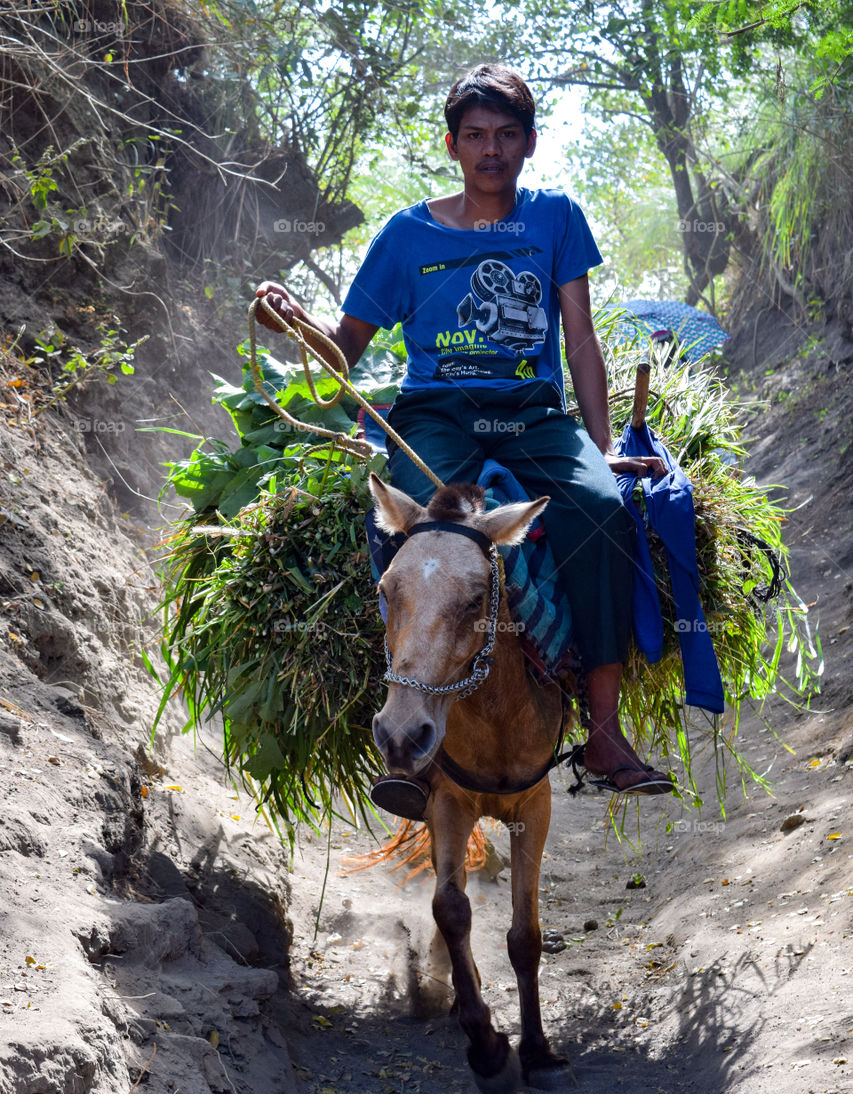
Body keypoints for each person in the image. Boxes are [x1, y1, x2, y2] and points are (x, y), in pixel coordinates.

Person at [256, 63, 673, 808]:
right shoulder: (404, 234)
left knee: (604, 514)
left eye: (506, 135)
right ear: (451, 145)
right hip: (433, 416)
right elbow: (344, 349)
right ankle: (403, 725)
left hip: (531, 413)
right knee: (423, 544)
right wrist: (293, 321)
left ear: (529, 143)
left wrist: (603, 445)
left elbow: (578, 341)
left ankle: (604, 733)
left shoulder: (555, 217)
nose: (491, 150)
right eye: (475, 136)